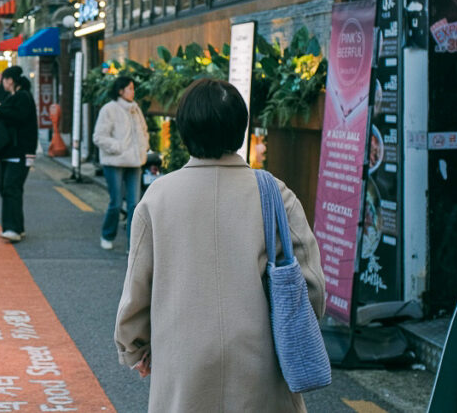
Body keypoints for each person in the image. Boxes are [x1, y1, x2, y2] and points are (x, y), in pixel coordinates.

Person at [115, 78, 324, 412]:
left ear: (184, 132)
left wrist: (134, 348)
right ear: (241, 129)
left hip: (182, 368)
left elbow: (137, 289)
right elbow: (311, 287)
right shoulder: (274, 194)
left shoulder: (158, 197)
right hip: (260, 367)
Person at [92, 75, 149, 250]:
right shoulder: (109, 109)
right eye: (130, 88)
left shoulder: (135, 109)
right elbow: (99, 137)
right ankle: (107, 234)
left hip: (135, 161)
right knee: (116, 203)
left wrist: (144, 146)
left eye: (133, 88)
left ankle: (133, 244)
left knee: (134, 204)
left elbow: (143, 131)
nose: (133, 91)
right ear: (120, 91)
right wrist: (118, 147)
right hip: (114, 161)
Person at [0, 66, 38, 242]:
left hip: (19, 151)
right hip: (11, 151)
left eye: (4, 80)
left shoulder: (23, 97)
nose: (2, 84)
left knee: (10, 188)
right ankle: (16, 227)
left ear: (10, 80)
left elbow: (18, 117)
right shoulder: (15, 96)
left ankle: (12, 228)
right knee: (9, 188)